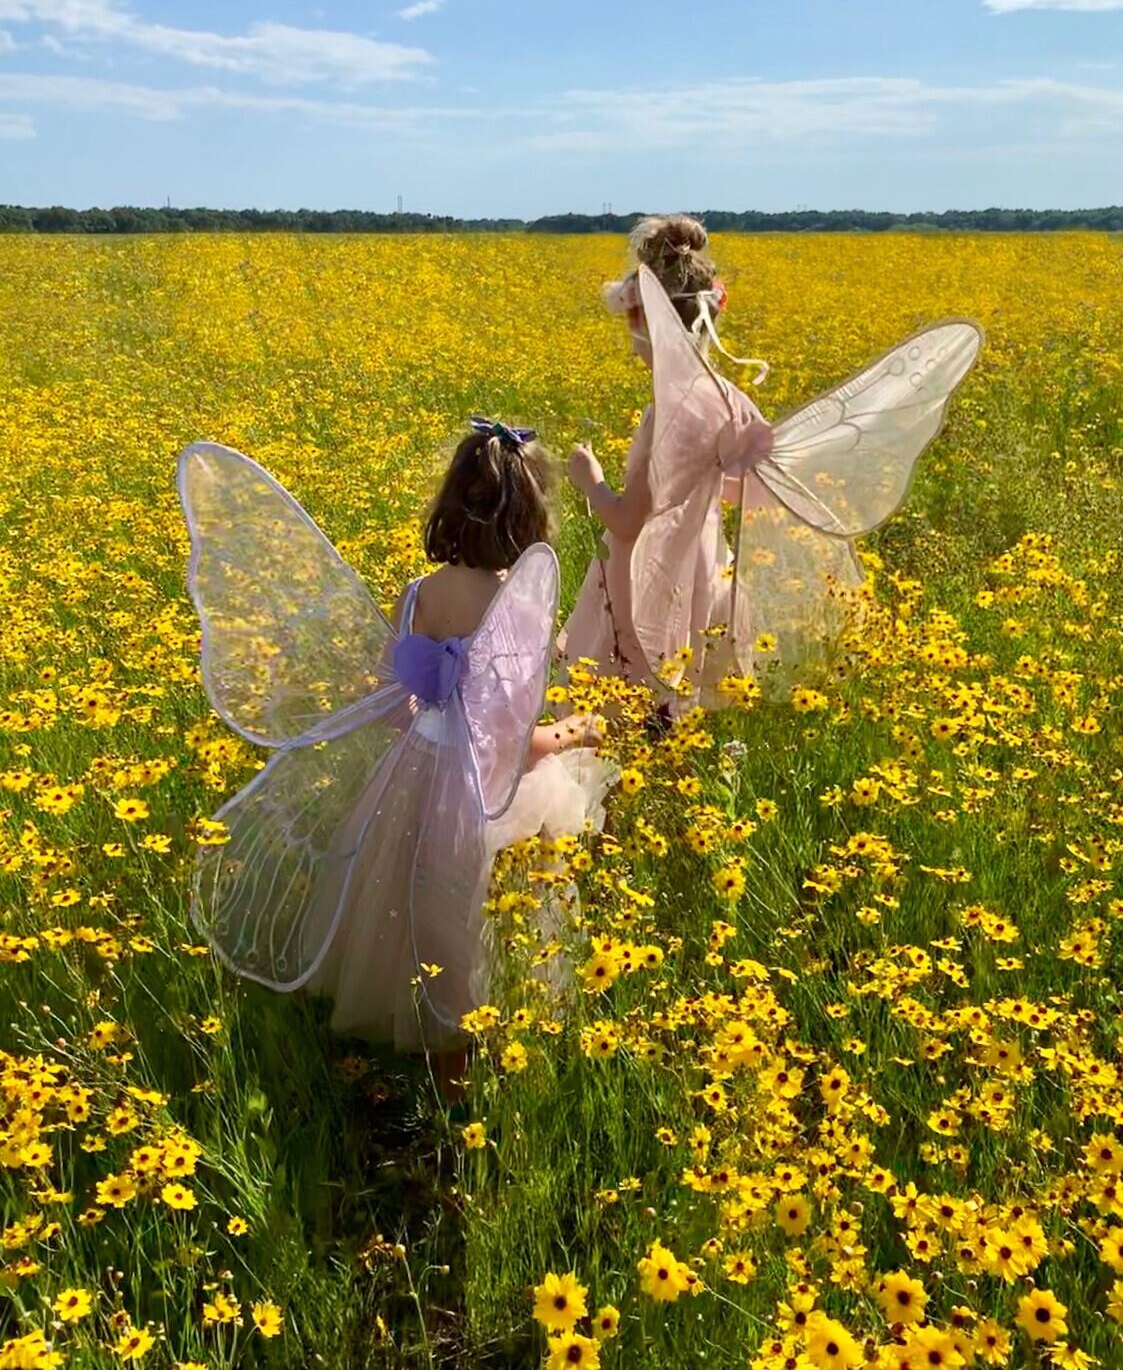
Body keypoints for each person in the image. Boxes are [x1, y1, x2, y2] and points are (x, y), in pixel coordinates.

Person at [178, 421, 616, 1099]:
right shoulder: (514, 603)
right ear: (532, 514)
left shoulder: (420, 592)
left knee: (414, 910)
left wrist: (435, 712)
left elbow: (391, 702)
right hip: (487, 793)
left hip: (413, 770)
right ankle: (464, 1083)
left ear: (449, 502)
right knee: (482, 920)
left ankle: (432, 1056)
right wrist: (575, 732)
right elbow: (514, 741)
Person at [561, 215, 982, 703]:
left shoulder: (668, 414)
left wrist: (589, 480)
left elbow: (629, 520)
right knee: (682, 691)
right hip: (701, 565)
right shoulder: (727, 398)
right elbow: (741, 485)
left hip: (646, 574)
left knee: (626, 697)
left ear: (644, 320)